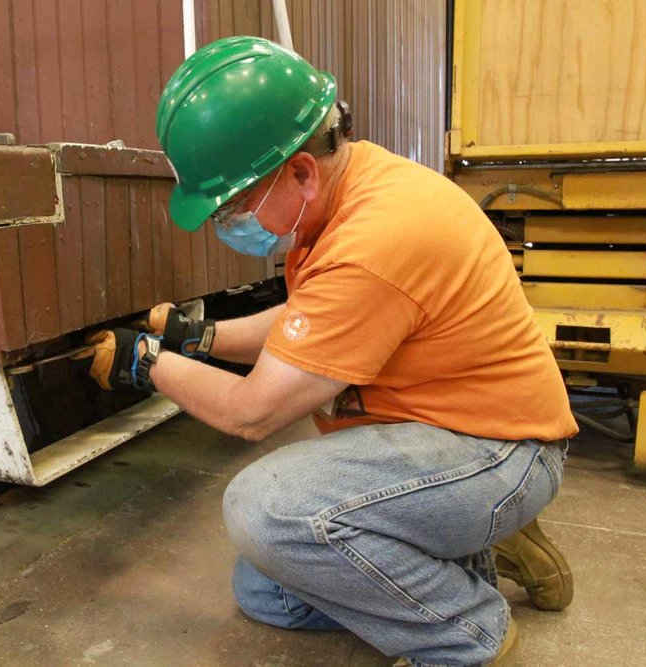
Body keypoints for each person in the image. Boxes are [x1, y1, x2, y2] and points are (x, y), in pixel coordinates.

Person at [76, 36, 577, 667]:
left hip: (498, 446)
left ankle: (468, 631)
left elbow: (250, 413)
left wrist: (146, 362)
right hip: (441, 428)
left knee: (270, 511)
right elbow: (310, 319)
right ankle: (461, 543)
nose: (227, 221)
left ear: (301, 172)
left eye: (231, 205)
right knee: (267, 592)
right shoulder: (349, 189)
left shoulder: (376, 238)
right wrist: (196, 338)